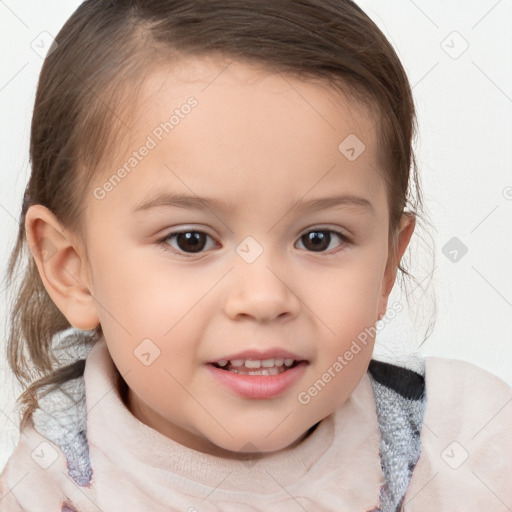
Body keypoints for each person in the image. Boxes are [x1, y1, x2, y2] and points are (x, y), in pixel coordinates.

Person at [1, 1, 511, 511]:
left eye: (319, 238)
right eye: (191, 240)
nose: (264, 298)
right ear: (72, 269)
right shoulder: (44, 491)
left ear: (384, 268)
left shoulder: (471, 449)